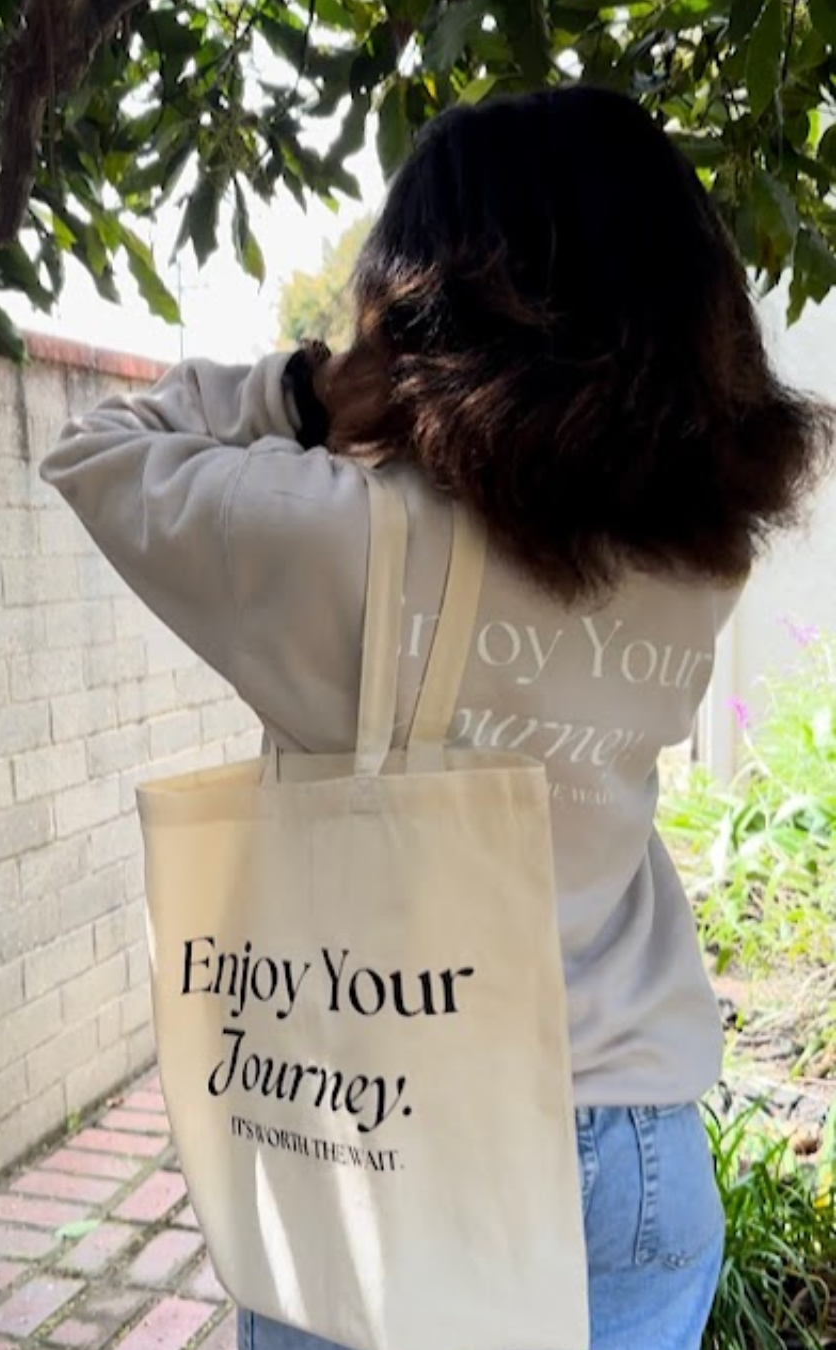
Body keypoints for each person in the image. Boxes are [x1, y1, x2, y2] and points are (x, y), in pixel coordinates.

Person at [42, 86, 831, 1350]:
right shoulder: (704, 560)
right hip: (632, 1158)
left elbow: (96, 445)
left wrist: (308, 393)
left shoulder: (338, 539)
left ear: (422, 305)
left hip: (378, 1143)